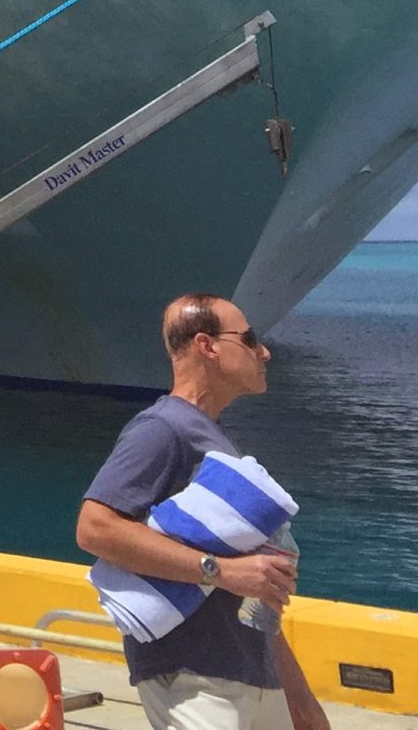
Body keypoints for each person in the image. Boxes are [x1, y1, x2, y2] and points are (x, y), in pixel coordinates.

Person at [78, 294, 327, 730]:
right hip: (195, 676)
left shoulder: (210, 438)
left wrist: (299, 701)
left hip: (247, 673)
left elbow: (254, 585)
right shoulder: (163, 428)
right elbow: (95, 528)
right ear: (206, 345)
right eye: (249, 339)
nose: (264, 351)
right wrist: (221, 572)